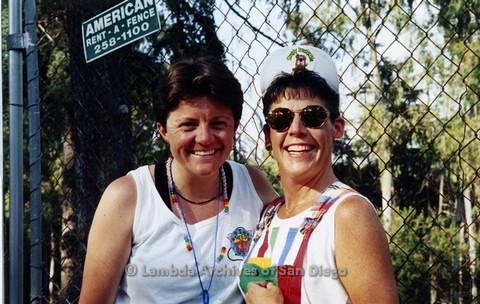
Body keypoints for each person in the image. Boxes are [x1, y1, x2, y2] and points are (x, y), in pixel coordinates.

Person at [79, 56, 278, 304]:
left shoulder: (253, 184)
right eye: (188, 125)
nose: (205, 138)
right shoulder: (128, 196)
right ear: (163, 130)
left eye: (218, 123)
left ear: (234, 127)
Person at [238, 46, 398, 303]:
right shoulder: (268, 216)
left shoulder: (348, 214)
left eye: (313, 116)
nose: (296, 129)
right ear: (268, 136)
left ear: (337, 128)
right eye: (281, 118)